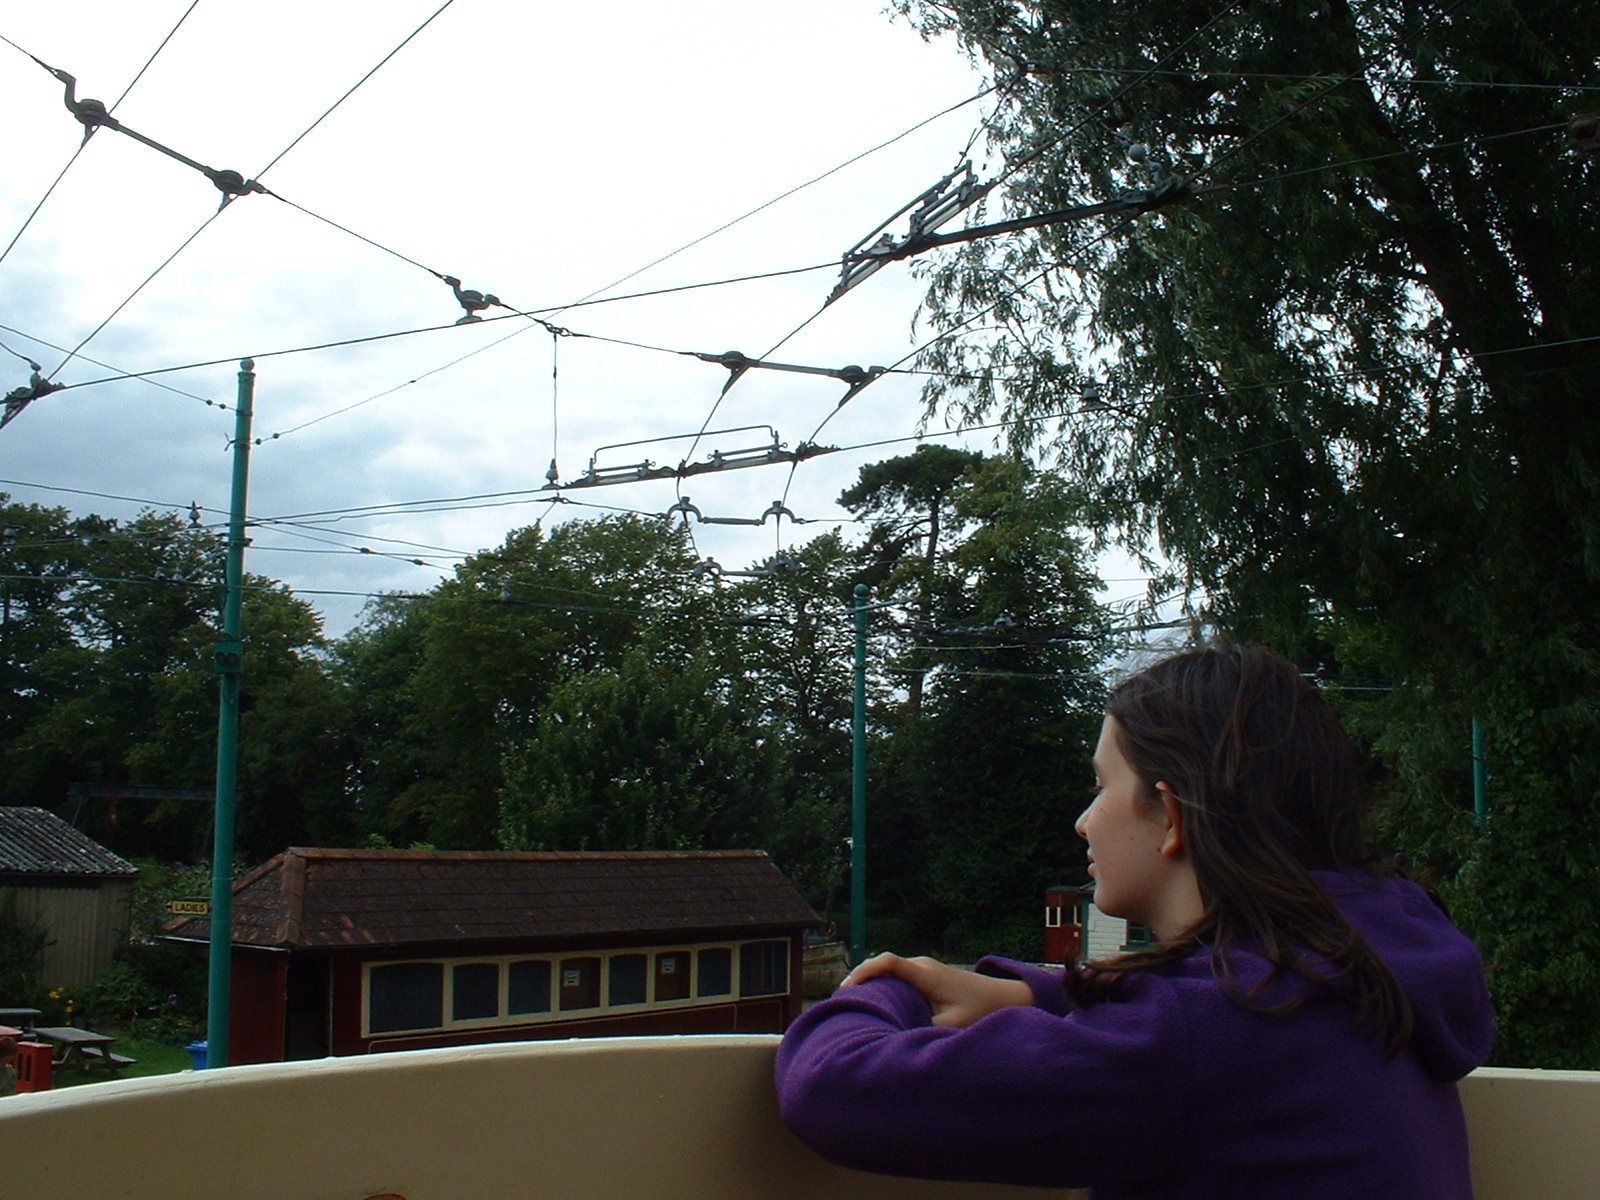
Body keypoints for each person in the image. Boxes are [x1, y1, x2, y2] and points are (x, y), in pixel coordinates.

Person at [775, 643, 1492, 1199]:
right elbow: (1205, 1003)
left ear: (1171, 815)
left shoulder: (1204, 1035)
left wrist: (887, 991)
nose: (1083, 821)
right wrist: (1037, 994)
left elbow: (832, 1089)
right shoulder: (1370, 960)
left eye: (1101, 785)